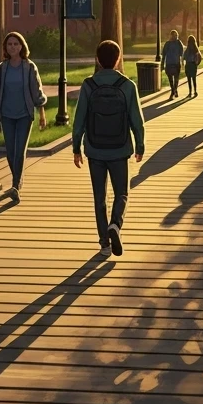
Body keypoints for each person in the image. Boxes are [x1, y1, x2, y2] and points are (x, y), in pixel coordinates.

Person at [72, 39, 146, 258]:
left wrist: (76, 147)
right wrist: (140, 144)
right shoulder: (127, 86)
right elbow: (137, 120)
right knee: (121, 193)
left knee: (99, 197)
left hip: (95, 150)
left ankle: (104, 243)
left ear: (97, 59)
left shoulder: (88, 85)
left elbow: (79, 121)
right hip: (120, 148)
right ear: (118, 59)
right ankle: (116, 224)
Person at [0, 31, 48, 200]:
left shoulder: (29, 67)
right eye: (9, 44)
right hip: (6, 115)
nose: (12, 47)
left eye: (16, 44)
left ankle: (15, 185)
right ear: (5, 47)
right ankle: (17, 181)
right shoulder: (2, 68)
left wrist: (41, 113)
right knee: (10, 152)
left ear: (21, 46)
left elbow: (37, 92)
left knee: (19, 151)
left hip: (24, 115)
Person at [160, 29, 185, 99]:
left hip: (176, 63)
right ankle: (174, 90)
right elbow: (164, 54)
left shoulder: (179, 43)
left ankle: (173, 92)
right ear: (170, 36)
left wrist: (182, 62)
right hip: (169, 63)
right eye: (174, 35)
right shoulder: (167, 44)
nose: (175, 37)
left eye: (176, 35)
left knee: (176, 79)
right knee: (171, 79)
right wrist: (162, 64)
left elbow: (181, 53)